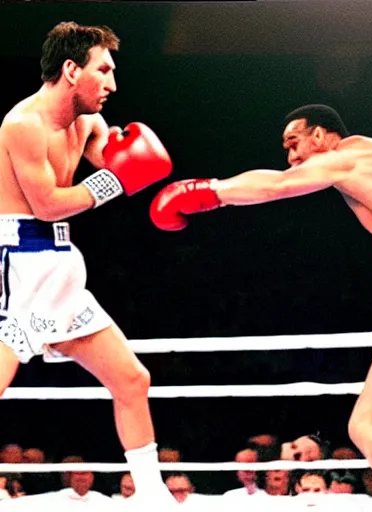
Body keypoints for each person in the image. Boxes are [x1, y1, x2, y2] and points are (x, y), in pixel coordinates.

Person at [149, 103, 372, 512]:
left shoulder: (347, 159)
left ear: (321, 136)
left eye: (294, 142)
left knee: (367, 424)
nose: (291, 158)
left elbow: (276, 186)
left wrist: (208, 192)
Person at [0, 21, 172, 505]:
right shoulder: (22, 125)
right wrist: (116, 183)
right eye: (104, 70)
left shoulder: (88, 122)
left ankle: (152, 495)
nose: (113, 84)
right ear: (72, 69)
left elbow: (118, 167)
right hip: (19, 262)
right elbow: (50, 203)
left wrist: (136, 166)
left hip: (61, 265)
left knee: (132, 379)